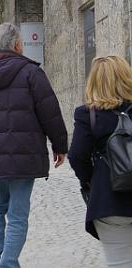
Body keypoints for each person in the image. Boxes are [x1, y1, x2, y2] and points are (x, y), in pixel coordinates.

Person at [0, 23, 68, 268]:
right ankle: (8, 264)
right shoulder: (31, 73)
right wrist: (60, 145)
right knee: (17, 215)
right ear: (18, 45)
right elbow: (50, 111)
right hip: (24, 158)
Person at [68, 55, 132, 268]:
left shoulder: (88, 115)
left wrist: (90, 182)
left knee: (119, 263)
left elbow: (77, 156)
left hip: (109, 200)